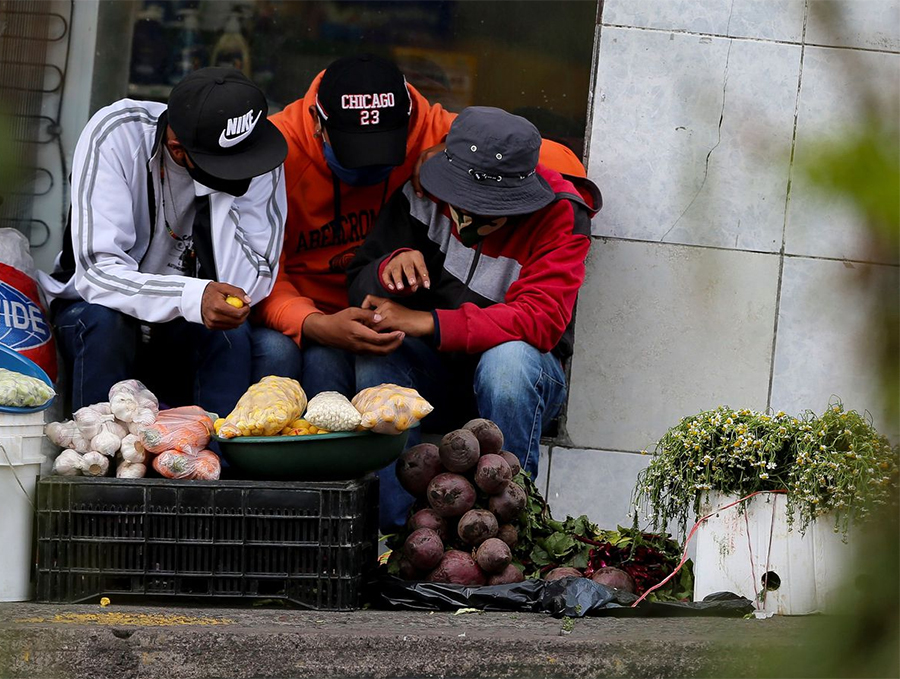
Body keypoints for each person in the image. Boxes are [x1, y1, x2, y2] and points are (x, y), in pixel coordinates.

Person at [251, 54, 587, 398]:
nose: (370, 166)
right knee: (300, 355)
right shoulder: (276, 151)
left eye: (386, 148)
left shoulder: (434, 130)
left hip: (400, 321)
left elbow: (547, 157)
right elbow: (255, 272)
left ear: (409, 119)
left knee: (486, 361)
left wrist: (453, 155)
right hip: (311, 309)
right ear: (318, 123)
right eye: (353, 148)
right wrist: (313, 324)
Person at [346, 107, 601, 531]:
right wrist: (389, 266)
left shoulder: (563, 215)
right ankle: (386, 536)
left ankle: (508, 531)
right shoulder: (424, 189)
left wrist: (428, 321)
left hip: (520, 380)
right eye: (463, 204)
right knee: (379, 353)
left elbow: (541, 320)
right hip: (435, 372)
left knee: (509, 362)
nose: (469, 220)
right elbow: (359, 281)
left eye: (490, 211)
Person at [37, 67, 288, 416]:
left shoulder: (257, 153)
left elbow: (248, 283)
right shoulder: (117, 134)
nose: (245, 172)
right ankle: (97, 460)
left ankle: (217, 463)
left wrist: (221, 190)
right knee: (107, 323)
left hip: (188, 325)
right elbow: (98, 273)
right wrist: (190, 296)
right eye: (227, 166)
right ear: (177, 149)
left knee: (231, 331)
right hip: (94, 310)